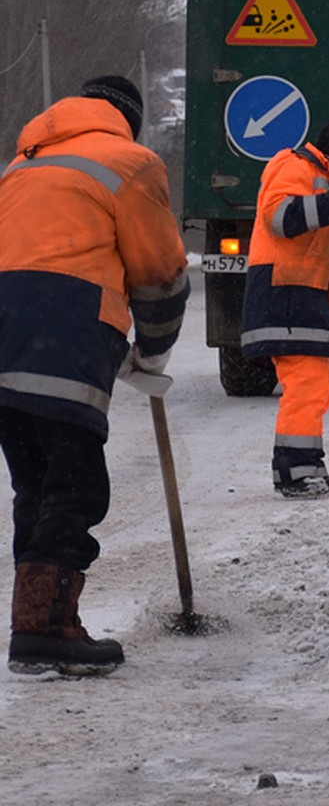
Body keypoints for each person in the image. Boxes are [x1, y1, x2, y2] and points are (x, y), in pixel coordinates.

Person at [0, 75, 189, 676]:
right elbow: (158, 271)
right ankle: (45, 631)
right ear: (128, 120)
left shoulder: (20, 164)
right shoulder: (131, 162)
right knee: (77, 487)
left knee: (35, 485)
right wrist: (153, 352)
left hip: (5, 331)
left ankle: (37, 626)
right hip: (66, 327)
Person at [240, 120, 329, 498]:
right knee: (306, 381)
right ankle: (294, 472)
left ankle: (308, 464)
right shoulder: (293, 166)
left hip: (309, 295)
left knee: (319, 381)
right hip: (284, 292)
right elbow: (279, 217)